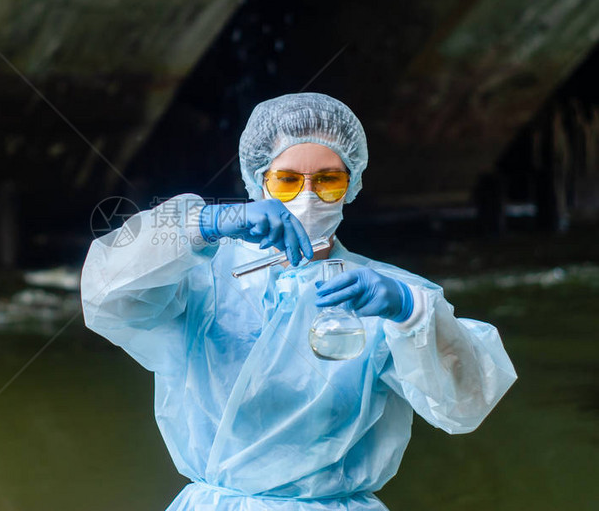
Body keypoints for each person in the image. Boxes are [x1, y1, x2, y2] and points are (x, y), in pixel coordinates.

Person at [81, 93, 517, 511]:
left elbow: (467, 405)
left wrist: (412, 313)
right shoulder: (201, 279)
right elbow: (105, 292)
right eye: (287, 180)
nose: (307, 196)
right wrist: (207, 223)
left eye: (329, 179)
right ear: (259, 182)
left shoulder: (387, 294)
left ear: (352, 184)